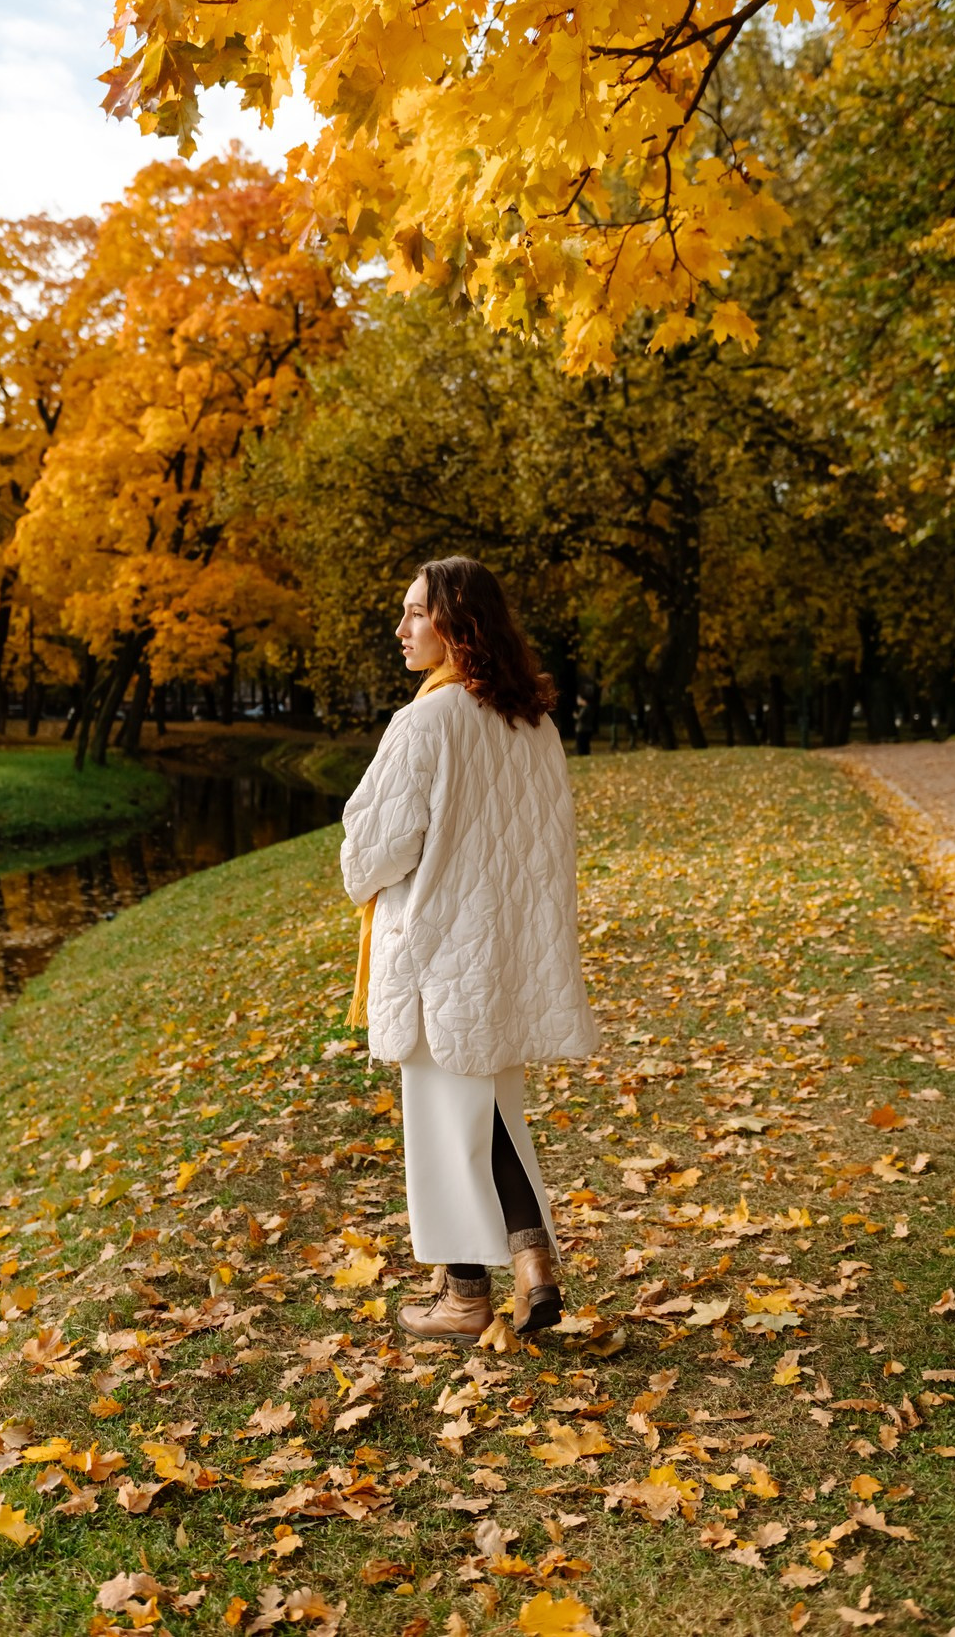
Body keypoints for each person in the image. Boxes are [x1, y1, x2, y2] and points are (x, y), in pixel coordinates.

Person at [339, 556, 597, 1342]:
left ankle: (466, 1295)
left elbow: (372, 853)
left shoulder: (424, 722)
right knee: (484, 1120)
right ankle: (527, 1267)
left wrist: (366, 869)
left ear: (459, 624)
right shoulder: (534, 723)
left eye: (417, 612)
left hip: (440, 950)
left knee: (451, 1126)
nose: (402, 628)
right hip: (507, 951)